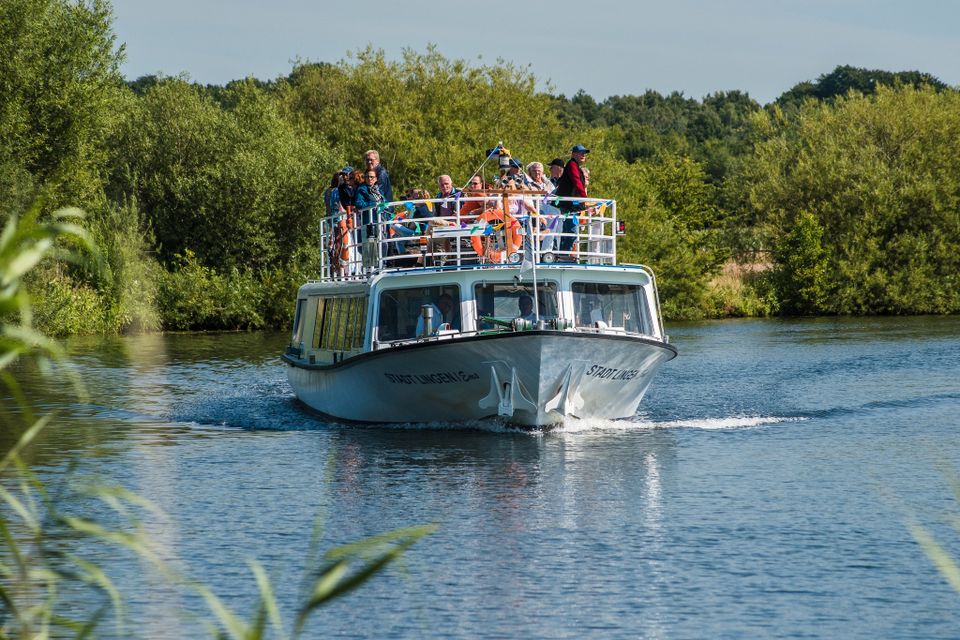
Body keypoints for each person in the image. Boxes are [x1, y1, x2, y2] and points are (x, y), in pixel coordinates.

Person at [554, 144, 590, 254]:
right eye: (581, 153)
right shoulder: (572, 165)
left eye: (584, 153)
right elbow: (576, 181)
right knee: (571, 233)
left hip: (572, 206)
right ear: (573, 154)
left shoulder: (575, 166)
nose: (583, 155)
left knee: (569, 233)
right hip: (568, 206)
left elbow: (577, 182)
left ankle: (563, 254)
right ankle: (563, 255)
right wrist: (585, 198)